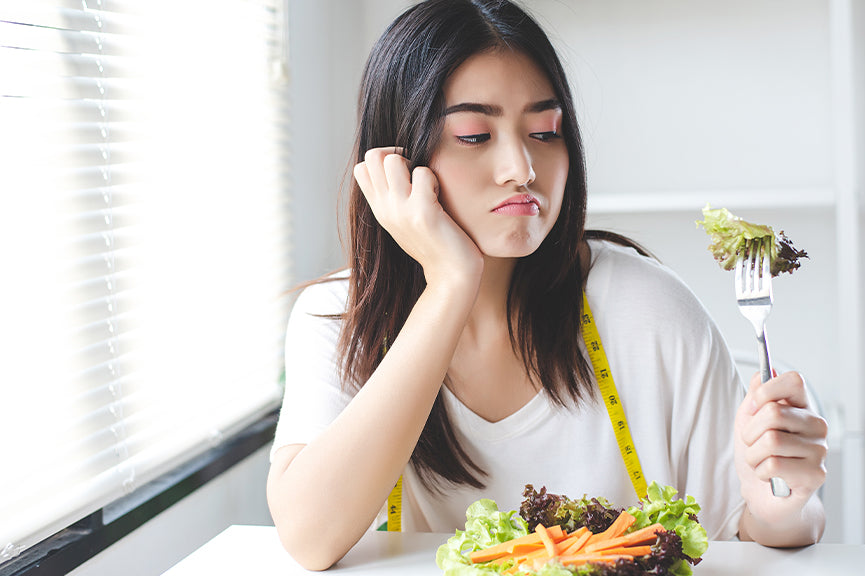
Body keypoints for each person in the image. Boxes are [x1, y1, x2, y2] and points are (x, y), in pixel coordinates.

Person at [266, 0, 828, 570]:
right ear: (395, 159)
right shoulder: (338, 317)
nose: (523, 167)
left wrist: (784, 503)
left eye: (543, 131)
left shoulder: (644, 307)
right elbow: (311, 539)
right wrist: (450, 284)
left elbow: (755, 528)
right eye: (474, 135)